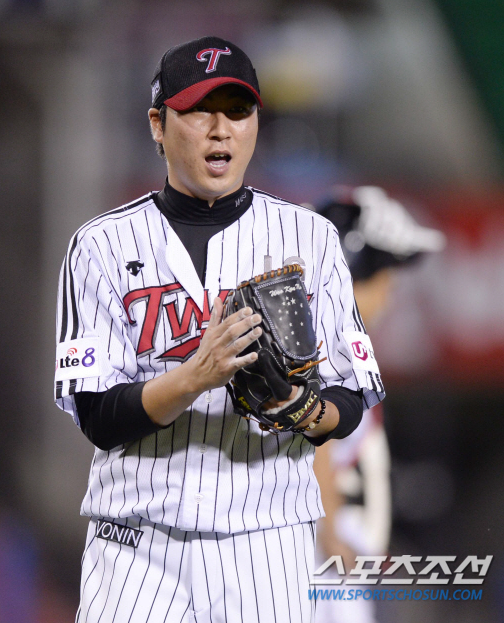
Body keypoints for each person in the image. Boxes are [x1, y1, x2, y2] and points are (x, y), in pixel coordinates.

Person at [54, 37, 384, 623]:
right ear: (158, 125)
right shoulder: (102, 245)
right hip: (135, 544)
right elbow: (99, 416)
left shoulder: (308, 238)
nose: (220, 129)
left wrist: (302, 408)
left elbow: (351, 398)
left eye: (237, 110)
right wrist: (195, 376)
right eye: (198, 110)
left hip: (268, 543)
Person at [312, 185, 445, 623]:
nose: (389, 293)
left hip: (329, 554)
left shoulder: (340, 342)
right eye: (384, 276)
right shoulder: (323, 345)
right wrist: (332, 533)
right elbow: (314, 446)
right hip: (315, 558)